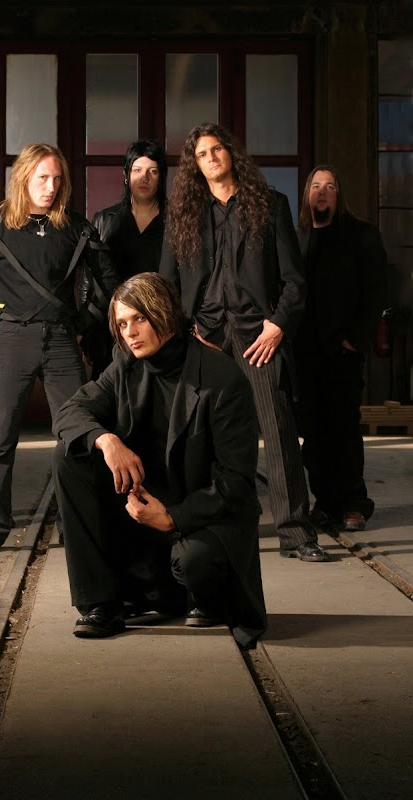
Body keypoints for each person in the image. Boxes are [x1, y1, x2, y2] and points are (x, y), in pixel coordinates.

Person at [52, 272, 267, 649]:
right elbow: (71, 411)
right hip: (143, 512)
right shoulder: (125, 364)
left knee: (195, 563)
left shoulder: (221, 378)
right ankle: (100, 605)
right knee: (71, 453)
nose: (130, 332)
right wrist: (106, 440)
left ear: (165, 313)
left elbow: (235, 482)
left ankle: (204, 598)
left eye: (140, 318)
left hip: (201, 517)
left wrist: (172, 518)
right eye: (122, 323)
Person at [160, 121, 330, 562]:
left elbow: (295, 281)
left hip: (259, 335)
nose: (211, 158)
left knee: (278, 430)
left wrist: (278, 326)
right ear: (195, 165)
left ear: (231, 153)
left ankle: (296, 533)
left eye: (217, 149)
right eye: (202, 154)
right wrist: (184, 331)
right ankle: (206, 527)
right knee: (201, 437)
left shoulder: (270, 205)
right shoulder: (183, 214)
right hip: (204, 336)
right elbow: (167, 283)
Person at [0, 143, 119, 555]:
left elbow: (110, 283)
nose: (50, 187)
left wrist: (83, 324)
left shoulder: (75, 227)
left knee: (77, 433)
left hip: (61, 340)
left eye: (57, 179)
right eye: (42, 178)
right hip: (13, 339)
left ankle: (76, 524)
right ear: (23, 178)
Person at [295, 165, 388, 532]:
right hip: (305, 353)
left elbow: (376, 291)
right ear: (307, 195)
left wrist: (356, 338)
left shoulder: (361, 235)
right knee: (313, 432)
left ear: (339, 195)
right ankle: (326, 502)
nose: (322, 192)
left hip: (342, 352)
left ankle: (353, 503)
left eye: (329, 186)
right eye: (316, 186)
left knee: (344, 429)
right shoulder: (298, 238)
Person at [80, 138, 168, 379]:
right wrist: (87, 329)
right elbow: (90, 278)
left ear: (161, 177)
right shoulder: (104, 219)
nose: (144, 178)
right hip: (112, 326)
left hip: (159, 324)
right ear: (126, 175)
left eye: (152, 171)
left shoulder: (176, 220)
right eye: (137, 170)